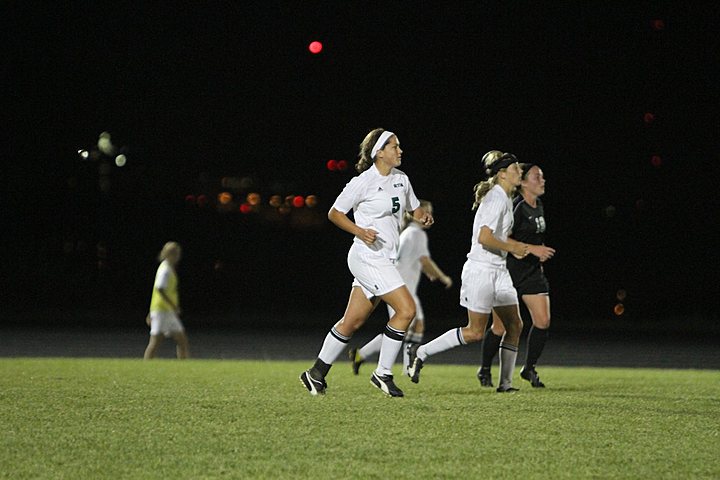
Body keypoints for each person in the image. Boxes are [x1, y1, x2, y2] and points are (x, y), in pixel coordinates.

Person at [299, 128, 433, 397]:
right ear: (379, 152)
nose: (400, 150)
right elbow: (335, 213)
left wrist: (421, 215)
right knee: (406, 311)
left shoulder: (401, 179)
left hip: (385, 259)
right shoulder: (363, 182)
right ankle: (382, 373)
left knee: (352, 322)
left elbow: (413, 207)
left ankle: (315, 374)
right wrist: (359, 231)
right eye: (394, 146)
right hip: (366, 257)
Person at [408, 151, 530, 392]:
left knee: (514, 325)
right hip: (481, 270)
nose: (520, 172)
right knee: (475, 332)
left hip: (499, 270)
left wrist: (511, 248)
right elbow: (485, 238)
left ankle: (505, 385)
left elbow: (495, 236)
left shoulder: (505, 197)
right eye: (516, 169)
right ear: (502, 174)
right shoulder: (495, 198)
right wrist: (512, 246)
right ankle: (421, 352)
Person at [348, 200, 453, 376]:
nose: (429, 216)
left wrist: (427, 272)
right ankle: (403, 368)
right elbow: (424, 260)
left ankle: (363, 355)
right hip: (399, 288)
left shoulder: (408, 233)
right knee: (407, 327)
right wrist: (444, 277)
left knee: (410, 328)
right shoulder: (416, 234)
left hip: (400, 286)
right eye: (426, 212)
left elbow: (413, 260)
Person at [478, 163, 555, 388]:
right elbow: (501, 238)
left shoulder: (538, 205)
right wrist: (532, 249)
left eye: (542, 176)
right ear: (522, 182)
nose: (542, 180)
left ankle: (528, 368)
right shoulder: (515, 206)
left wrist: (536, 254)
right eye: (537, 177)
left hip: (531, 272)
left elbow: (534, 240)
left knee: (543, 320)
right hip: (507, 270)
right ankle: (484, 369)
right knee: (500, 327)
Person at [143, 241, 190, 359]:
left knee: (182, 340)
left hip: (166, 311)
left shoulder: (167, 267)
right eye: (176, 254)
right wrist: (173, 306)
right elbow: (160, 289)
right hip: (162, 310)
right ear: (171, 254)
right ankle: (144, 367)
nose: (178, 257)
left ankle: (185, 368)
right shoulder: (165, 270)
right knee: (155, 341)